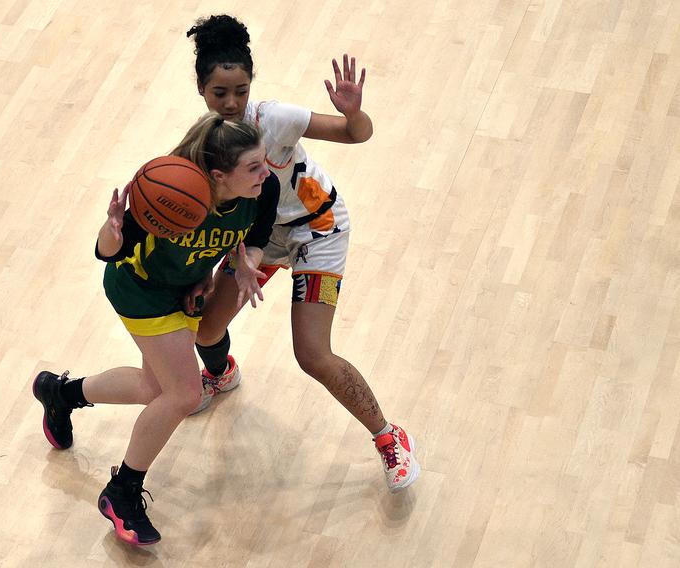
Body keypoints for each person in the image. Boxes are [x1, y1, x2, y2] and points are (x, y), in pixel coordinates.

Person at [186, 15, 420, 492]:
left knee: (312, 354)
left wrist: (354, 113)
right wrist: (218, 265)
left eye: (241, 90)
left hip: (318, 230)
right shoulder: (202, 146)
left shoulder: (276, 118)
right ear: (201, 89)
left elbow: (358, 134)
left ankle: (388, 436)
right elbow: (219, 213)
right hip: (260, 237)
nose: (231, 103)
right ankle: (221, 373)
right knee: (205, 326)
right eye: (220, 93)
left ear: (252, 86)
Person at [32, 112, 279, 545]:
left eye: (264, 161)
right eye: (254, 166)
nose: (267, 170)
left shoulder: (265, 189)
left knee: (154, 388)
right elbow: (104, 251)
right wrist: (112, 229)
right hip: (139, 289)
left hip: (183, 289)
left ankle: (61, 394)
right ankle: (121, 492)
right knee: (183, 393)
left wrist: (244, 266)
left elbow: (254, 237)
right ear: (219, 175)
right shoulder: (172, 192)